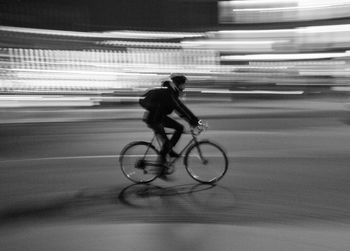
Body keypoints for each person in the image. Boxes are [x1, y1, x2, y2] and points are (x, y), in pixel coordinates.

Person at [139, 73, 201, 171]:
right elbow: (179, 109)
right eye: (183, 85)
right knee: (167, 144)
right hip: (153, 119)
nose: (184, 87)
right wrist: (193, 122)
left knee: (179, 128)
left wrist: (195, 120)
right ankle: (160, 167)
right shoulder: (169, 93)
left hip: (160, 117)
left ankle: (169, 151)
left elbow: (182, 107)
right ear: (178, 84)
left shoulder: (173, 92)